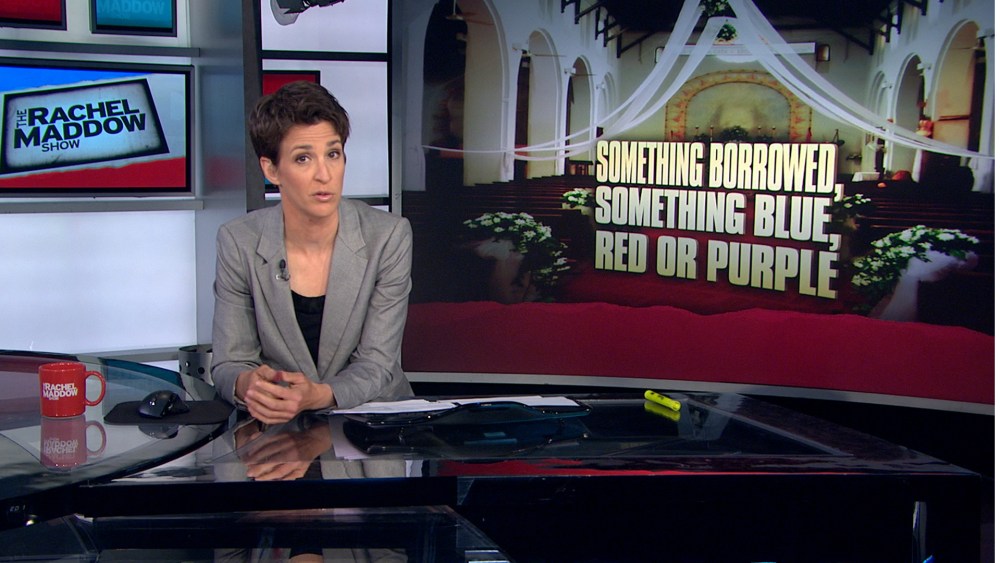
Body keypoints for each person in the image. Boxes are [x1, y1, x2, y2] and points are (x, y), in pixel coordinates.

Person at [211, 80, 413, 424]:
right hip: (280, 427)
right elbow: (230, 362)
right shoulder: (239, 241)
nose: (324, 174)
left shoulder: (388, 236)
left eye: (332, 154)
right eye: (303, 158)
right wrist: (250, 386)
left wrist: (317, 395)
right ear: (271, 169)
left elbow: (378, 363)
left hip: (372, 422)